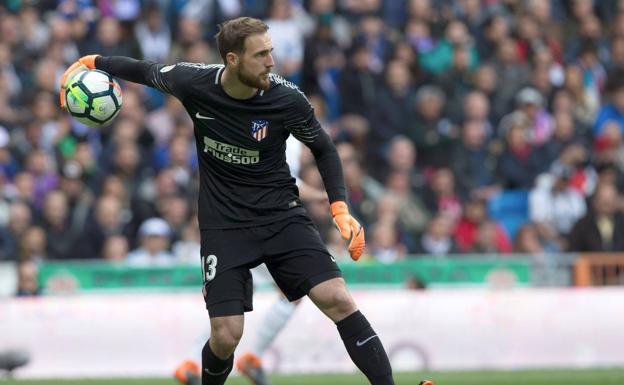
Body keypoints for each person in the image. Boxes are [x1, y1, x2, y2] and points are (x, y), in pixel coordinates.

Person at [60, 17, 432, 385]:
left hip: (281, 216)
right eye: (261, 54)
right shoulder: (194, 82)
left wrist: (340, 208)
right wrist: (92, 62)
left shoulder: (286, 98)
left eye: (270, 51)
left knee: (337, 297)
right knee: (225, 335)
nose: (271, 61)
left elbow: (324, 147)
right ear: (233, 60)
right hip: (224, 225)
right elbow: (144, 70)